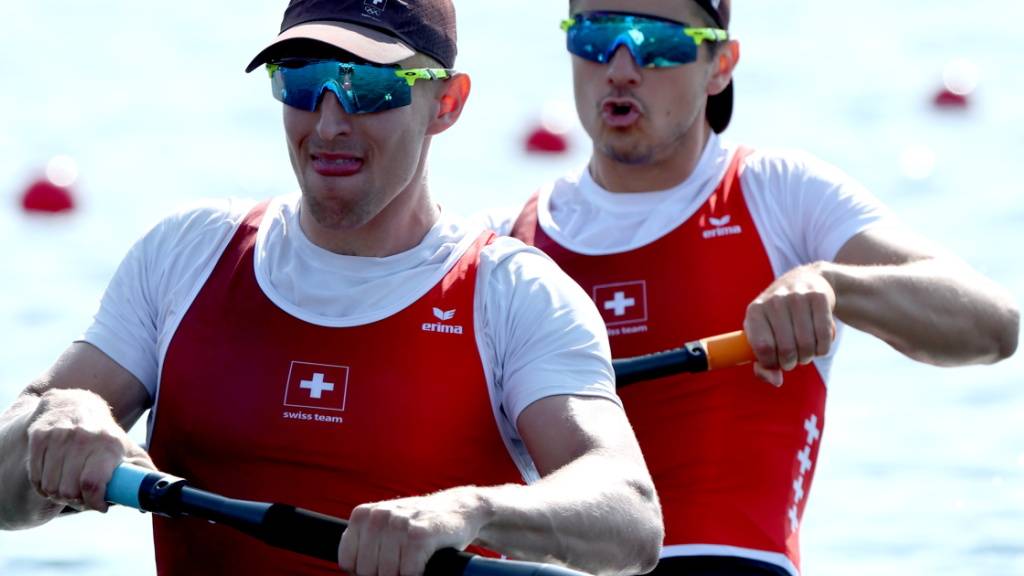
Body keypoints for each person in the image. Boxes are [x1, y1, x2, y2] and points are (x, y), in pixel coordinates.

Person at [0, 1, 665, 575]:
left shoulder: (514, 297)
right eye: (303, 80)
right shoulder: (185, 254)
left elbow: (630, 517)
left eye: (368, 87)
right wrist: (61, 422)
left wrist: (471, 509)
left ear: (449, 103)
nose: (327, 124)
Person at [492, 0, 1021, 575]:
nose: (621, 66)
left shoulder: (781, 196)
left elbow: (994, 325)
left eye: (659, 42)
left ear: (721, 65)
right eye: (595, 36)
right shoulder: (507, 244)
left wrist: (832, 284)